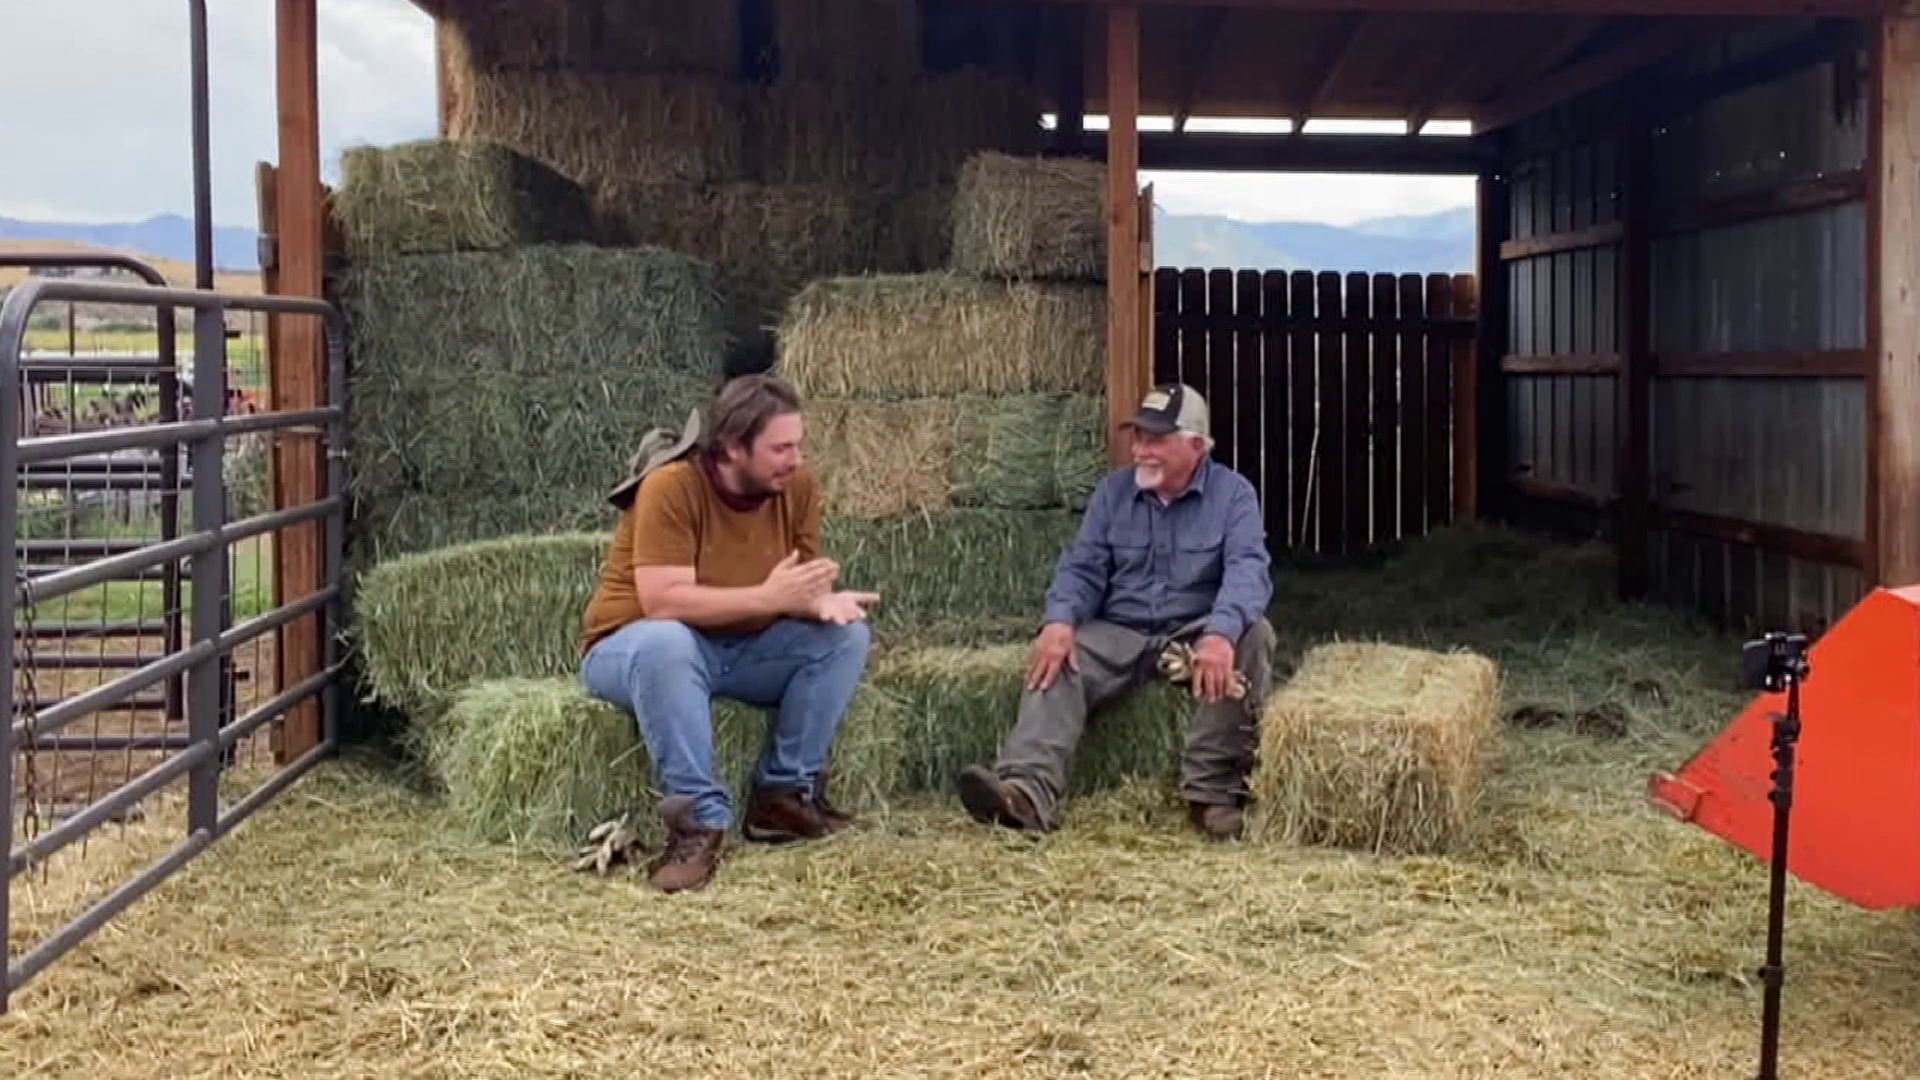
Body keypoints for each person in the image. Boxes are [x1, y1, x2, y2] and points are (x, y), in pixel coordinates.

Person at [578, 373, 879, 893]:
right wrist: (768, 598)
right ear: (734, 448)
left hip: (738, 648)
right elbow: (663, 603)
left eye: (799, 445)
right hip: (633, 649)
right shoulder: (671, 486)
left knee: (845, 637)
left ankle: (783, 797)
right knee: (668, 641)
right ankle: (698, 824)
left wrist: (817, 602)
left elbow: (792, 585)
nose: (796, 459)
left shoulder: (796, 487)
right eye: (781, 448)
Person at [955, 383, 1275, 841]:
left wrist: (1221, 634)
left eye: (1155, 439)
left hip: (1192, 632)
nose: (1140, 450)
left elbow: (1248, 570)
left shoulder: (1234, 495)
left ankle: (1214, 796)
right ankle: (1025, 795)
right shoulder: (1113, 494)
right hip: (1119, 631)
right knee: (1058, 656)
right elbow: (1082, 567)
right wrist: (1059, 620)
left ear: (1196, 446)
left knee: (1253, 635)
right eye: (1138, 437)